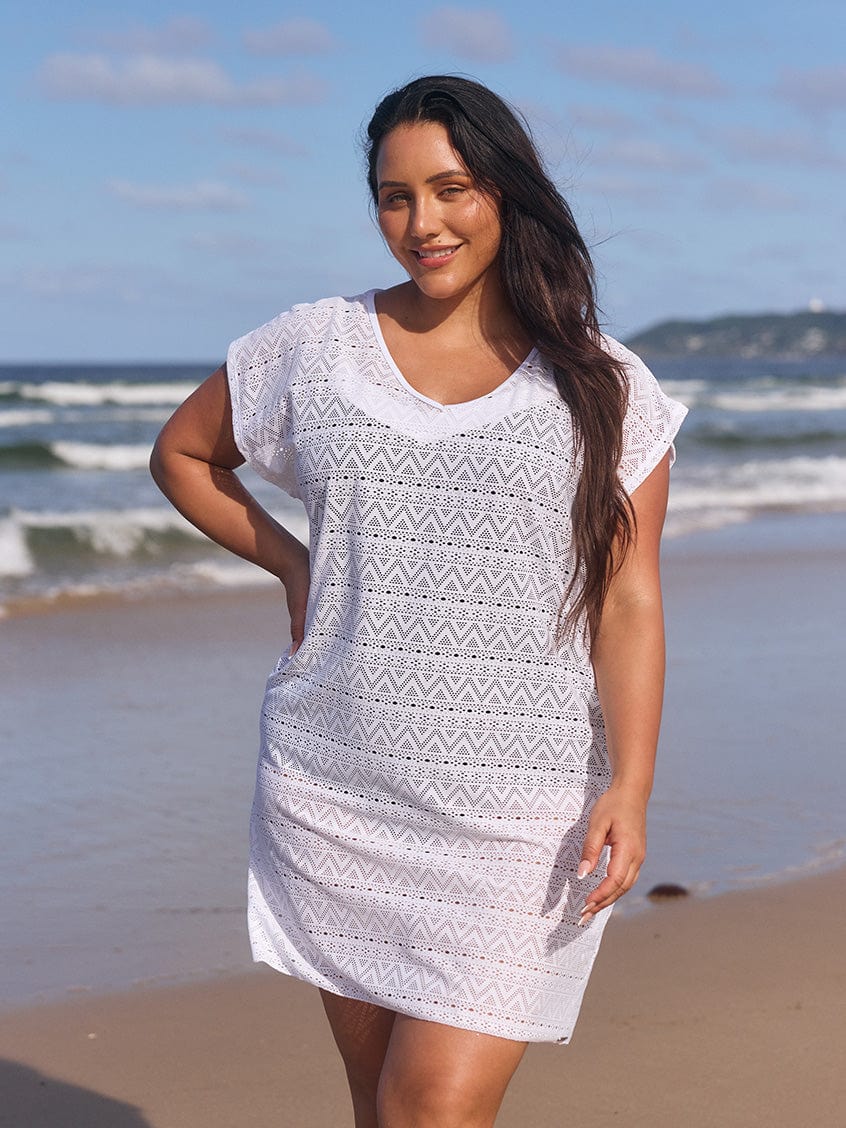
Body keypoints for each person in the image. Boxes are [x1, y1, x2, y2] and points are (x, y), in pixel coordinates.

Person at [151, 75, 687, 1128]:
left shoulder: (602, 386)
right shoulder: (313, 345)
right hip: (339, 784)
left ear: (506, 192)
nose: (422, 223)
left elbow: (628, 602)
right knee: (382, 1111)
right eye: (394, 197)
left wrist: (632, 785)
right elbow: (183, 454)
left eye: (451, 189)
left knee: (429, 1110)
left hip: (518, 814)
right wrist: (295, 564)